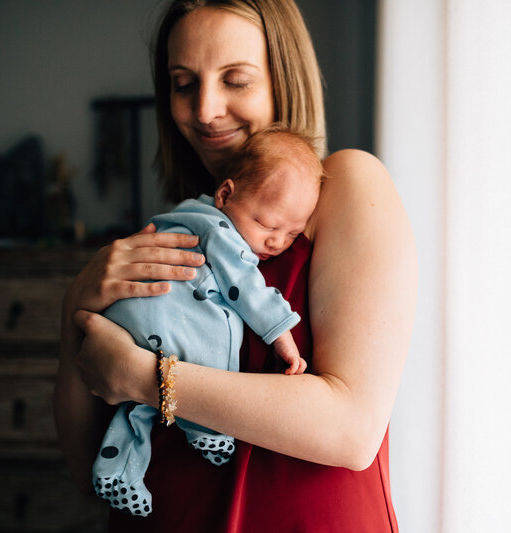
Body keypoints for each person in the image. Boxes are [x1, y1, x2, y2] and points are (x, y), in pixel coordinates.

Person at [54, 1, 416, 531]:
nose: (204, 109)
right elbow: (84, 470)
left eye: (236, 80)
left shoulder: (347, 186)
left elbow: (351, 430)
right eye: (183, 84)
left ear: (281, 79)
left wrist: (145, 377)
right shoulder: (168, 233)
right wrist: (75, 309)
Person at [92, 127, 323, 517]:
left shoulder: (186, 213)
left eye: (292, 234)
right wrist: (280, 334)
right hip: (165, 311)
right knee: (217, 332)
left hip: (131, 318)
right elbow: (243, 285)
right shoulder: (216, 227)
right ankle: (207, 430)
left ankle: (116, 472)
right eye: (267, 226)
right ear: (226, 195)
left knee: (141, 403)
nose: (277, 243)